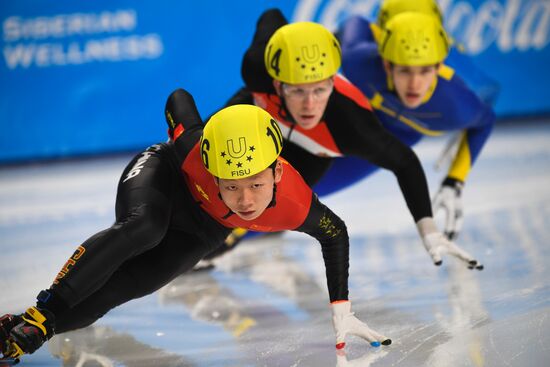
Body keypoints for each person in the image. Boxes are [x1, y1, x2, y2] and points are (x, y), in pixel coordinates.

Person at [1, 89, 393, 365]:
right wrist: (190, 131)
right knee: (145, 227)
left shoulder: (296, 202)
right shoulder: (193, 148)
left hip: (204, 226)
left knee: (128, 287)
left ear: (276, 172)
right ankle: (42, 312)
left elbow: (335, 232)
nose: (245, 201)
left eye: (256, 185)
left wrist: (341, 307)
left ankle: (26, 331)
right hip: (165, 176)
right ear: (213, 172)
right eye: (232, 186)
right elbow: (178, 98)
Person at [189, 8, 484, 263]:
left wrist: (428, 228)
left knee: (248, 217)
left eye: (319, 90)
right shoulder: (258, 68)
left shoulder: (351, 124)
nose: (309, 105)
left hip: (310, 154)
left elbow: (404, 161)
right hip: (252, 118)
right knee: (197, 166)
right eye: (297, 90)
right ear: (277, 84)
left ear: (332, 83)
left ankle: (247, 233)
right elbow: (271, 16)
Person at [335, 10, 496, 240]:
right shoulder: (358, 62)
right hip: (363, 118)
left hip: (399, 134)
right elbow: (354, 22)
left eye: (425, 71)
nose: (414, 84)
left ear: (439, 66)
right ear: (387, 65)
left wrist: (454, 181)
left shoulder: (456, 103)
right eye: (404, 70)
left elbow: (485, 120)